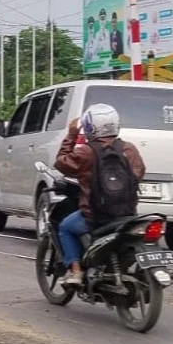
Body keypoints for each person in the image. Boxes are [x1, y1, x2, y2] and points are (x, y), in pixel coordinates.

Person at [53, 104, 146, 287]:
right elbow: (139, 173)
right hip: (127, 214)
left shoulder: (86, 152)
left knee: (65, 227)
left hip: (96, 216)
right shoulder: (130, 149)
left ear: (89, 126)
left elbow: (62, 163)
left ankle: (76, 272)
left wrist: (71, 135)